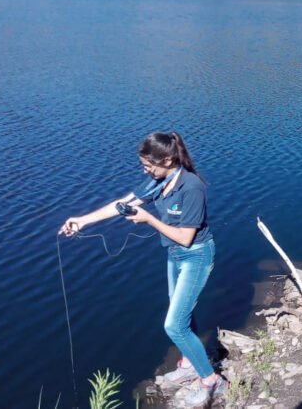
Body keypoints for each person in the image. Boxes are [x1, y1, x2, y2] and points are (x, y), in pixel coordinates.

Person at [58, 132, 225, 406]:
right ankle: (188, 365)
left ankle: (212, 381)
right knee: (182, 313)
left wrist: (148, 219)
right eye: (143, 165)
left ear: (168, 159)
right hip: (173, 254)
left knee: (173, 325)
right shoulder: (158, 181)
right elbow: (122, 204)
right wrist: (82, 221)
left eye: (148, 165)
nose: (145, 170)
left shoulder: (192, 187)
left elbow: (186, 237)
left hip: (195, 255)